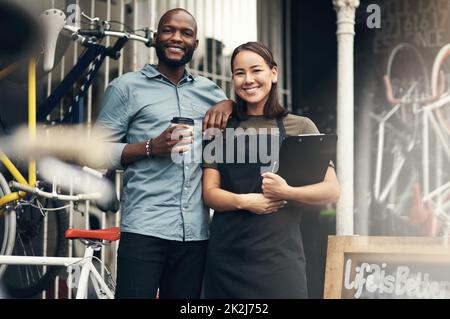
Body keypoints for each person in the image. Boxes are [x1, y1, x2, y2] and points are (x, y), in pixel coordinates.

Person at [95, 8, 233, 299]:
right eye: (169, 30)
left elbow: (238, 129)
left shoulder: (211, 93)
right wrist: (149, 147)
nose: (177, 38)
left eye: (186, 33)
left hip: (196, 234)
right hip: (145, 229)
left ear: (195, 44)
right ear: (156, 38)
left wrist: (230, 104)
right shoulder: (125, 88)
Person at [202, 42, 340, 299]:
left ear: (273, 73)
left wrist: (287, 191)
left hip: (280, 261)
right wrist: (245, 201)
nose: (248, 79)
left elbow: (331, 190)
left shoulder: (300, 127)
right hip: (226, 259)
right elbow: (209, 193)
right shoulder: (219, 128)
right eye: (239, 73)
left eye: (256, 70)